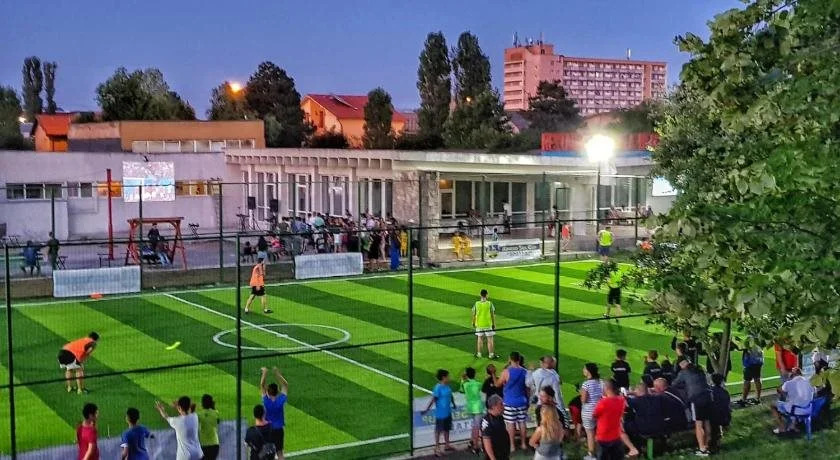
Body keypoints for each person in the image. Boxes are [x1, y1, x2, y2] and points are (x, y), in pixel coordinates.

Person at [671, 360, 712, 456]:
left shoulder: (684, 373)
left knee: (698, 424)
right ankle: (707, 445)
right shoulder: (700, 370)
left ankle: (702, 449)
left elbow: (674, 384)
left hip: (696, 398)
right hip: (708, 396)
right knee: (707, 421)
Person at [495, 351, 530, 452]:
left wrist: (493, 375)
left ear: (510, 359)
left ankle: (512, 445)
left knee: (510, 424)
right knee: (522, 423)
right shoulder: (525, 372)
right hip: (522, 401)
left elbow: (497, 384)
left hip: (509, 402)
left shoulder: (506, 372)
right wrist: (527, 400)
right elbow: (528, 388)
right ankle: (523, 444)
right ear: (519, 359)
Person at [593, 379, 631, 460]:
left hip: (603, 437)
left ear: (607, 388)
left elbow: (594, 415)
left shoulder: (602, 402)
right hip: (616, 436)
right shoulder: (621, 400)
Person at [770, 367, 815, 434]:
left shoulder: (789, 383)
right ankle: (792, 426)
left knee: (773, 405)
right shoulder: (809, 382)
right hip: (808, 409)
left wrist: (788, 380)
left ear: (792, 375)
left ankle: (782, 428)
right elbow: (814, 392)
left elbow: (779, 390)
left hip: (795, 409)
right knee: (795, 402)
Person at [423, 369, 457, 456]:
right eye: (448, 376)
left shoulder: (447, 386)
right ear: (443, 377)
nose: (449, 378)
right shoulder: (438, 387)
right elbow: (434, 399)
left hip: (448, 412)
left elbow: (451, 395)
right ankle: (437, 448)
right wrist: (427, 410)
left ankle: (447, 445)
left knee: (447, 429)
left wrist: (453, 403)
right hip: (441, 413)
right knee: (438, 430)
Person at [260, 366, 289, 458]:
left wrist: (264, 373)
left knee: (268, 453)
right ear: (278, 391)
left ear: (267, 392)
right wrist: (277, 373)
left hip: (269, 430)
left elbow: (262, 385)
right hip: (279, 430)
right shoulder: (281, 400)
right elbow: (285, 385)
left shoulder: (266, 401)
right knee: (280, 453)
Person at [529, 357, 565, 423]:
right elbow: (557, 394)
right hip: (549, 406)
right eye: (553, 362)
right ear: (548, 363)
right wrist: (561, 408)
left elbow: (529, 384)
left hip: (538, 404)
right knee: (550, 424)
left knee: (540, 424)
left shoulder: (536, 373)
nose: (554, 364)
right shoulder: (552, 376)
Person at [580, 363, 603, 459]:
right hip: (600, 411)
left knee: (590, 434)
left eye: (584, 369)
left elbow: (584, 400)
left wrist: (581, 394)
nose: (583, 370)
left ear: (589, 371)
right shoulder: (601, 382)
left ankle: (591, 455)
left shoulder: (586, 384)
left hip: (588, 412)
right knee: (599, 433)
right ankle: (600, 453)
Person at [461, 367, 484, 455]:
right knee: (477, 427)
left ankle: (471, 441)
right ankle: (476, 446)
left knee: (475, 426)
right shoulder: (478, 384)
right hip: (477, 408)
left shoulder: (465, 384)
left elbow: (461, 390)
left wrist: (463, 380)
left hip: (470, 407)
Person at [481, 394, 511, 460]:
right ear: (494, 406)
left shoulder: (500, 417)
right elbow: (487, 441)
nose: (503, 407)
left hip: (503, 453)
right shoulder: (487, 422)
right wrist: (493, 458)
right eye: (501, 404)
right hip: (495, 455)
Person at [709, 374, 731, 453]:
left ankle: (713, 445)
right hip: (724, 417)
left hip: (714, 418)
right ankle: (718, 442)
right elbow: (727, 407)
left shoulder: (710, 391)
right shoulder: (725, 392)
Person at [472, 289, 498, 359]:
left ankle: (479, 354)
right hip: (488, 324)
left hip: (479, 324)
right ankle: (491, 355)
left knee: (480, 339)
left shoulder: (476, 303)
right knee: (490, 339)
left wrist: (473, 322)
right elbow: (492, 315)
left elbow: (474, 314)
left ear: (480, 295)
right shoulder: (489, 303)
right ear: (487, 295)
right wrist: (493, 324)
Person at [196, 394, 220, 460]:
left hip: (204, 445)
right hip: (215, 444)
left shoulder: (199, 414)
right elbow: (218, 421)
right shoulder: (215, 413)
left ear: (202, 403)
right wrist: (213, 407)